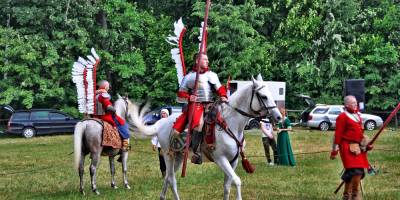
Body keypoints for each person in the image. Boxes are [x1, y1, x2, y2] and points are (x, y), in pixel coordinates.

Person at [172, 52, 228, 164]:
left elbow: (220, 89)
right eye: (205, 59)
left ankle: (219, 145)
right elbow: (180, 95)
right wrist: (189, 97)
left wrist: (223, 96)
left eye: (207, 59)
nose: (208, 61)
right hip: (196, 104)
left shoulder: (212, 75)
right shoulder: (189, 77)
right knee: (199, 124)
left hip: (210, 103)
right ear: (197, 61)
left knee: (223, 119)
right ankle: (196, 151)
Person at [330, 95, 373, 200]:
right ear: (346, 104)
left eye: (356, 103)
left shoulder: (358, 115)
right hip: (346, 146)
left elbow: (360, 133)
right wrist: (334, 150)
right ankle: (354, 195)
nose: (355, 105)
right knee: (356, 170)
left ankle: (348, 196)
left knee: (356, 171)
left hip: (357, 147)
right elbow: (338, 135)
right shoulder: (342, 117)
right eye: (353, 103)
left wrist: (365, 144)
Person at [93, 80, 130, 151]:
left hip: (94, 116)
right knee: (122, 123)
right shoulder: (103, 95)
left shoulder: (93, 96)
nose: (109, 88)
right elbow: (108, 107)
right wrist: (114, 110)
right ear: (104, 86)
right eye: (108, 86)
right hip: (104, 116)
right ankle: (125, 145)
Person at [151, 109, 169, 178]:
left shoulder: (170, 122)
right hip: (160, 145)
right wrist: (154, 143)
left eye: (164, 113)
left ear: (167, 114)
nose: (163, 114)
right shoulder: (158, 123)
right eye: (162, 113)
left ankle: (169, 174)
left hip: (168, 145)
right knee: (162, 160)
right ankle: (164, 174)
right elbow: (155, 134)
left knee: (169, 160)